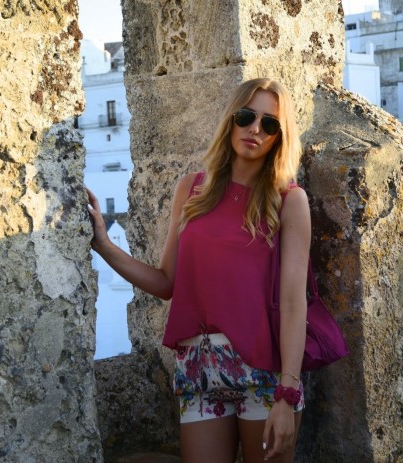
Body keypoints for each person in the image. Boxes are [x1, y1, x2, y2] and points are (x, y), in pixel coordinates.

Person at [87, 77, 310, 463]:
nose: (255, 129)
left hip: (264, 372)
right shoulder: (191, 189)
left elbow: (293, 303)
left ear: (279, 136)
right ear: (231, 120)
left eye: (270, 124)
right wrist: (105, 246)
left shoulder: (289, 201)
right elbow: (166, 282)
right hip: (198, 367)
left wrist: (287, 395)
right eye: (247, 116)